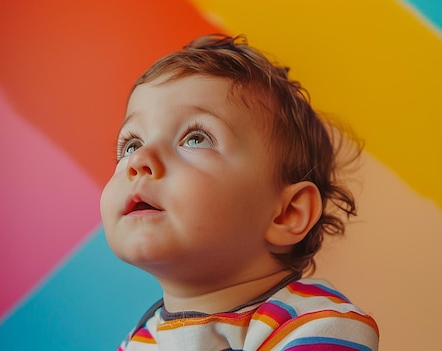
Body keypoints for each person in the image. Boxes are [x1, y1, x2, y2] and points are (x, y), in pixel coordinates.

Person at [100, 34, 379, 351]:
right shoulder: (141, 342)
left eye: (195, 139)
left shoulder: (316, 326)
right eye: (132, 144)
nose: (139, 160)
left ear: (287, 213)